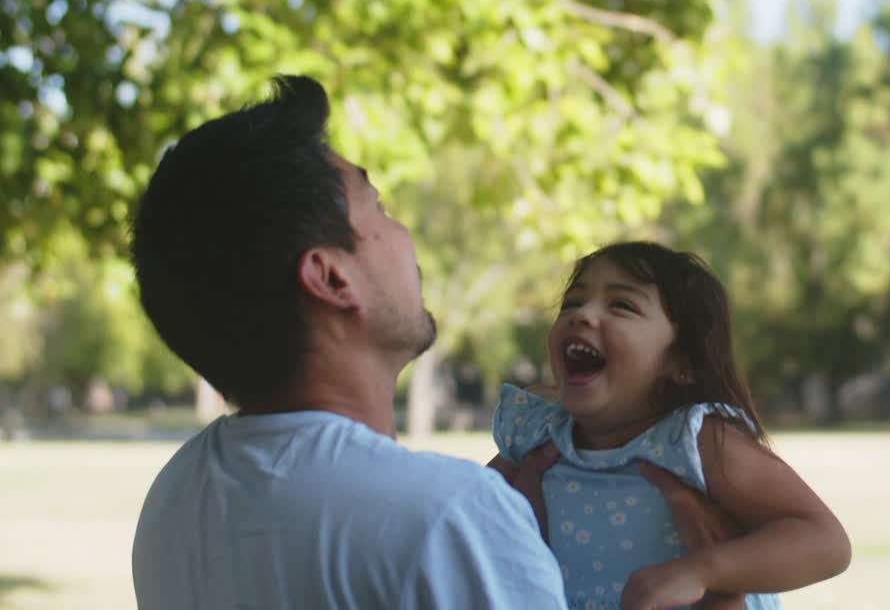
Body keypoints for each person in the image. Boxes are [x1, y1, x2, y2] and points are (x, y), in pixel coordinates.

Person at [130, 75, 731, 609]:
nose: (404, 234)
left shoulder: (176, 498)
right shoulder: (447, 518)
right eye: (379, 208)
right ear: (332, 279)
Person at [490, 241, 852, 610]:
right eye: (572, 303)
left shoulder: (693, 441)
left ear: (682, 361)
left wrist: (701, 572)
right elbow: (469, 513)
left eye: (622, 305)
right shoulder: (537, 434)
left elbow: (826, 541)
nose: (582, 314)